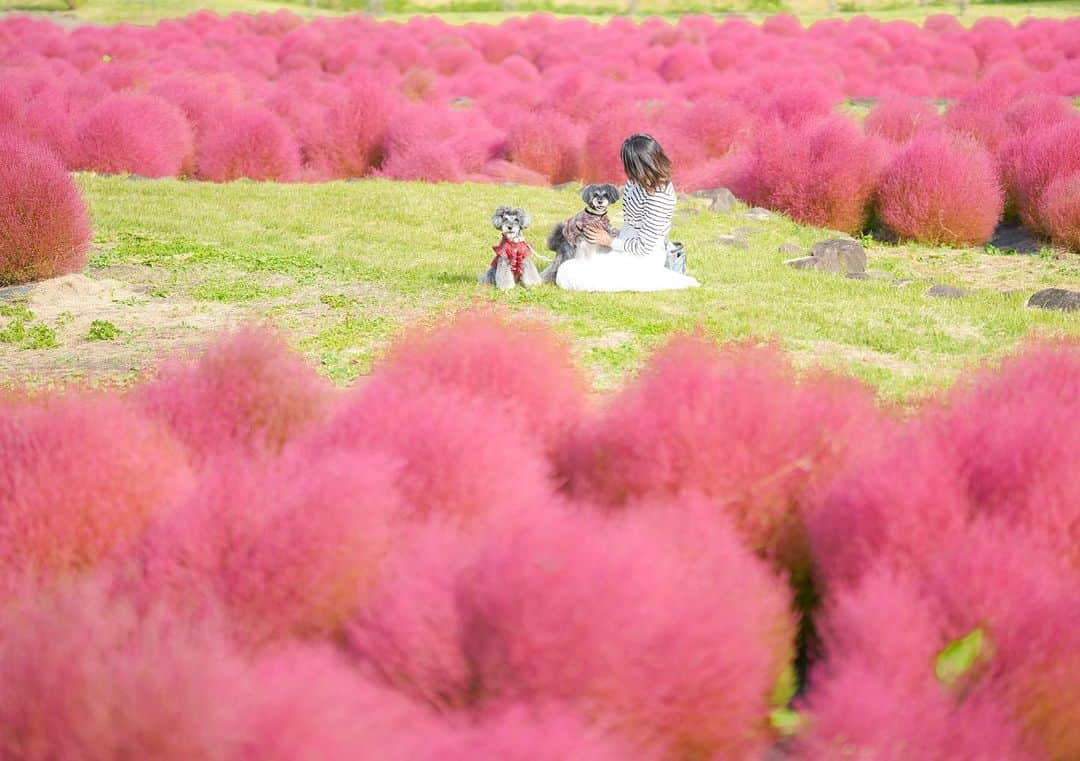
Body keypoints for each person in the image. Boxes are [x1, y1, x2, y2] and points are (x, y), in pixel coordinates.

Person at [555, 134, 700, 293]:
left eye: (628, 164)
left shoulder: (659, 196)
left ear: (640, 165)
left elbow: (643, 247)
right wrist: (607, 231)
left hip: (642, 260)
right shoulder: (636, 181)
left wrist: (608, 241)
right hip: (622, 247)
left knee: (568, 275)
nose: (625, 170)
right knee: (569, 266)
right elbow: (631, 222)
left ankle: (656, 277)